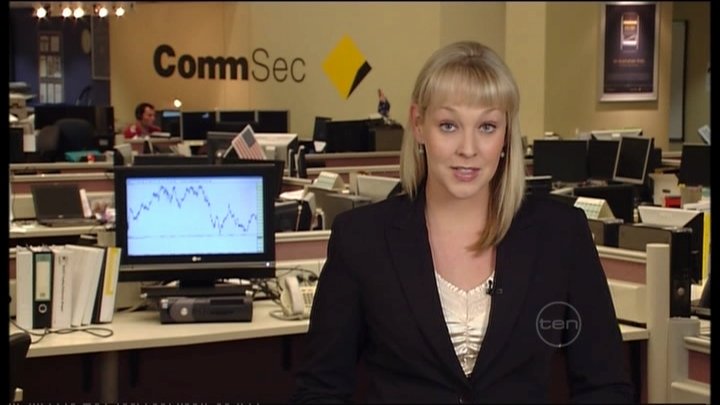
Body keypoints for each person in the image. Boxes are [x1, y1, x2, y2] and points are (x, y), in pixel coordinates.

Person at [291, 41, 633, 403]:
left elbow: (607, 386)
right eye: (449, 125)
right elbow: (320, 391)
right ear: (418, 125)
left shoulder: (560, 235)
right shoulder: (362, 239)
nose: (468, 148)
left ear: (506, 135)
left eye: (487, 126)